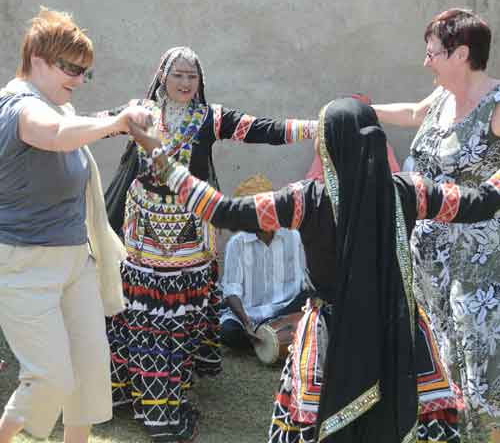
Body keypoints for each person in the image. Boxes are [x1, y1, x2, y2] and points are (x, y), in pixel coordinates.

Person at [128, 97, 500, 442]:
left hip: (331, 336)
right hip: (398, 331)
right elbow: (482, 203)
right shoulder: (409, 192)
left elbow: (221, 211)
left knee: (315, 422)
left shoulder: (305, 200)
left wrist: (162, 161)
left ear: (329, 145)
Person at [99, 46, 318, 442]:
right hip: (143, 236)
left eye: (192, 76)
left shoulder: (210, 118)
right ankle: (136, 391)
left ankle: (168, 390)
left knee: (181, 317)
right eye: (178, 74)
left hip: (190, 238)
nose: (185, 83)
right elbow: (98, 125)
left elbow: (265, 129)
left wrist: (320, 127)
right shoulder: (139, 113)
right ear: (162, 75)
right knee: (139, 314)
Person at [0, 8, 150, 443]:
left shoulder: (56, 106)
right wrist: (119, 123)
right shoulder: (20, 108)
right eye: (71, 68)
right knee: (50, 379)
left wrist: (124, 115)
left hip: (73, 260)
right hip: (24, 266)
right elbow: (53, 134)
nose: (79, 79)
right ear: (38, 59)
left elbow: (72, 126)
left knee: (87, 370)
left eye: (85, 71)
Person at [372, 8, 500, 442]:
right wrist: (361, 109)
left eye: (432, 54)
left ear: (460, 53)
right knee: (442, 351)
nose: (425, 62)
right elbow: (412, 112)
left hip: (478, 263)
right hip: (429, 261)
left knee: (479, 356)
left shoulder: (496, 107)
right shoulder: (442, 97)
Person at [220, 174, 312, 351]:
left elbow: (304, 282)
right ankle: (268, 337)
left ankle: (273, 336)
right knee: (228, 332)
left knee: (310, 298)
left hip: (285, 309)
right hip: (250, 314)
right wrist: (247, 323)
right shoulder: (237, 244)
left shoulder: (293, 237)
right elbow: (231, 290)